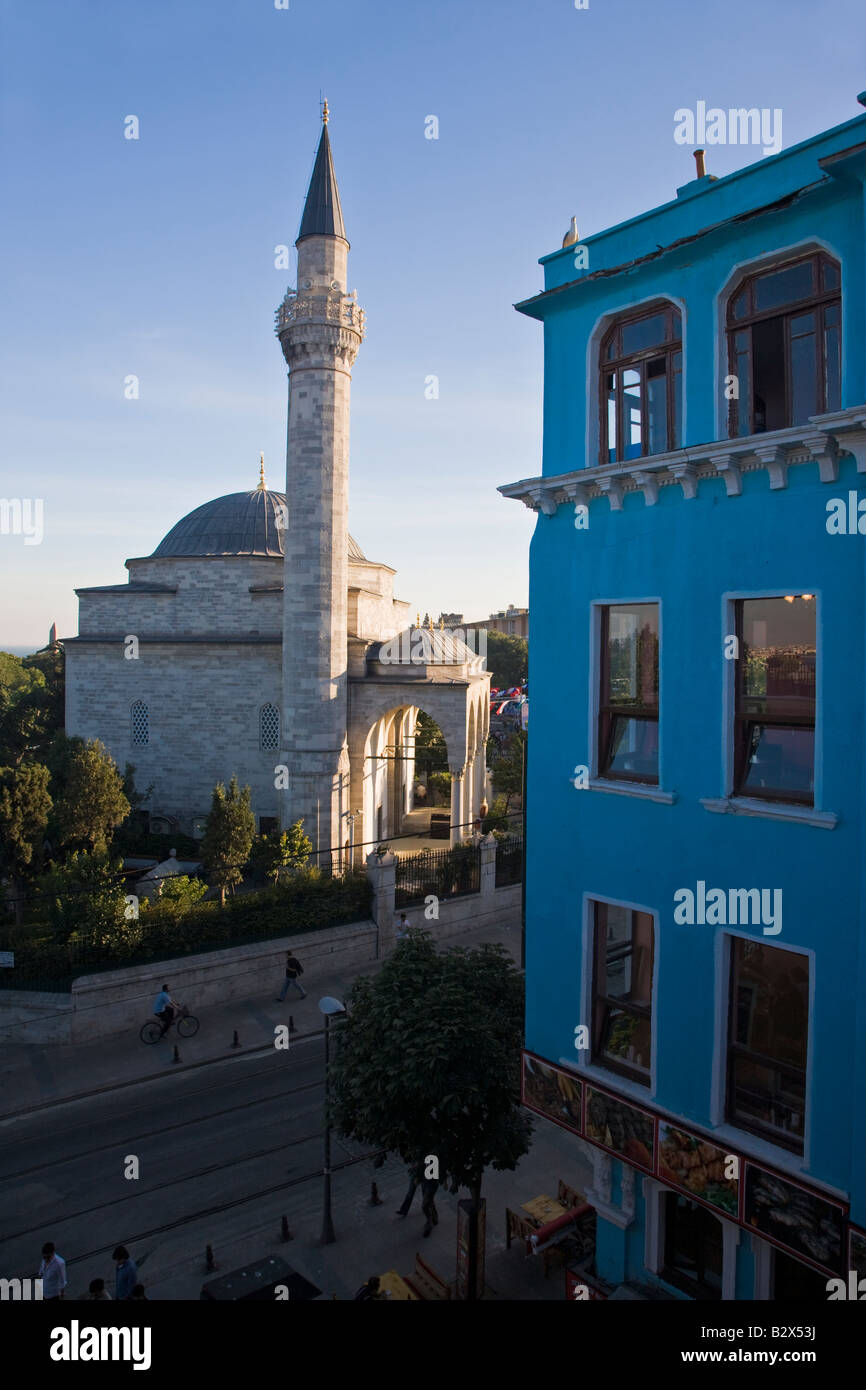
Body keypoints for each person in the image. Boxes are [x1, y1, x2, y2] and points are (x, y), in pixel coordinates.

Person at [421, 1173, 440, 1238]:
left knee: (425, 1205)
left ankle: (429, 1223)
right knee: (430, 1201)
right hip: (424, 1181)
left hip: (432, 1182)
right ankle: (434, 1217)